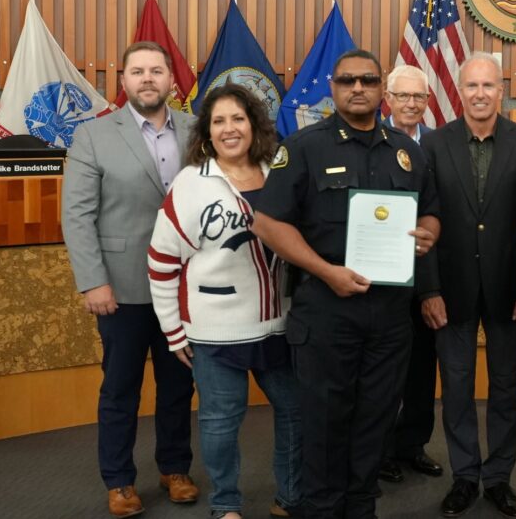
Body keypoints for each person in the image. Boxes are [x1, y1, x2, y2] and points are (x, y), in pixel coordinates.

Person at [251, 49, 441, 519]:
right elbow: (269, 224)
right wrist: (325, 271)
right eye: (347, 80)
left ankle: (361, 507)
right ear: (333, 88)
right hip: (326, 308)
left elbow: (431, 210)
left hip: (391, 314)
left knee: (376, 418)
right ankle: (320, 508)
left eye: (368, 80)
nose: (358, 88)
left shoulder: (407, 149)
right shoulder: (302, 148)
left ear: (382, 91)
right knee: (325, 420)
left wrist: (429, 233)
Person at [147, 83, 301, 519]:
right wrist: (174, 332)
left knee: (296, 411)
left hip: (280, 327)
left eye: (238, 118)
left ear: (254, 124)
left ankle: (290, 497)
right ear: (206, 132)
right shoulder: (190, 184)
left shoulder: (280, 171)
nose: (230, 128)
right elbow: (161, 263)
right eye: (219, 121)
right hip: (215, 331)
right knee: (220, 420)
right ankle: (226, 504)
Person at [62, 40, 198, 517]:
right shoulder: (94, 136)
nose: (147, 78)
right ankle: (119, 480)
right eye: (137, 71)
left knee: (179, 386)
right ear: (122, 81)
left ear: (170, 80)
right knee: (120, 388)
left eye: (156, 70)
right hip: (121, 288)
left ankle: (175, 468)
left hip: (184, 287)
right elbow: (77, 216)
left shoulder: (199, 130)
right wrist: (92, 281)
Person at [421, 52, 516, 518]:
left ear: (501, 91)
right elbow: (423, 220)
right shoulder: (433, 146)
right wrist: (428, 289)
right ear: (460, 90)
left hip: (509, 291)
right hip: (449, 290)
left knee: (508, 388)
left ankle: (498, 478)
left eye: (488, 86)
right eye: (471, 86)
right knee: (455, 387)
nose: (479, 94)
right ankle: (464, 476)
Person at [379, 64, 443, 484]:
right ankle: (379, 450)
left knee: (422, 368)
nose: (411, 104)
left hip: (427, 274)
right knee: (383, 374)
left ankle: (412, 444)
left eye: (418, 97)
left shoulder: (437, 146)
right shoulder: (373, 141)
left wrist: (432, 288)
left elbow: (438, 215)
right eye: (403, 96)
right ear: (387, 98)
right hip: (378, 281)